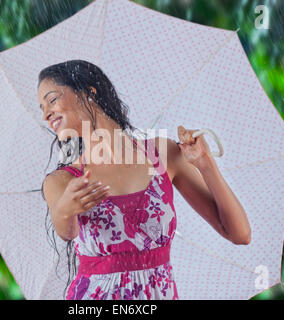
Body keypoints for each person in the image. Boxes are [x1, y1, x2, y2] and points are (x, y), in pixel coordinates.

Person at [37, 60, 251, 300]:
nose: (46, 114)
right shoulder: (62, 181)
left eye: (52, 99)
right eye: (42, 107)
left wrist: (205, 163)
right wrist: (65, 209)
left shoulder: (162, 154)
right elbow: (66, 230)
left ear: (88, 93)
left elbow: (239, 234)